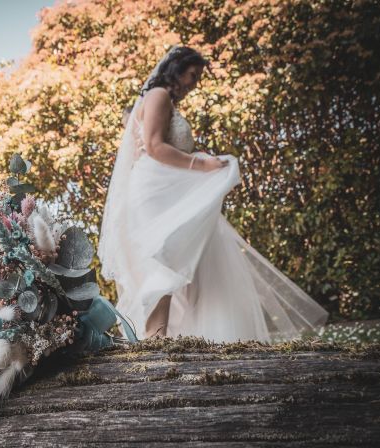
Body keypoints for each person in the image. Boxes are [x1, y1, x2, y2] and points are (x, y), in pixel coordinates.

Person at [98, 45, 329, 342]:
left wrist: (199, 158)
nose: (194, 83)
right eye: (192, 75)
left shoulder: (162, 100)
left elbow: (165, 147)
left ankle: (188, 335)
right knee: (164, 260)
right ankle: (153, 340)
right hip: (154, 194)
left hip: (164, 189)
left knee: (192, 257)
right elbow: (154, 147)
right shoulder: (158, 96)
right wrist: (200, 163)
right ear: (176, 69)